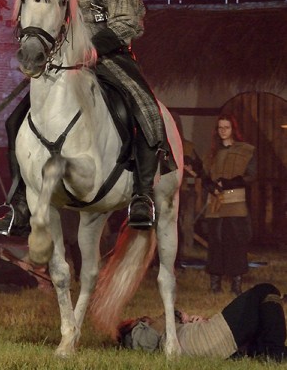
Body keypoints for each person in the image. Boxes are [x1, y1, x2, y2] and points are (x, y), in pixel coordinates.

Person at [0, 0, 171, 236]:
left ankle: (143, 195)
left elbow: (128, 23)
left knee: (144, 109)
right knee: (16, 120)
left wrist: (92, 49)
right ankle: (20, 204)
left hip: (108, 58)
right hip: (60, 63)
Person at [117, 282, 287, 360]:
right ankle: (275, 352)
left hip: (203, 340)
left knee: (259, 325)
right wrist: (175, 315)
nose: (145, 317)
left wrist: (191, 321)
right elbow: (150, 341)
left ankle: (270, 350)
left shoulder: (159, 330)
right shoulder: (134, 334)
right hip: (203, 341)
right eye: (140, 319)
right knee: (265, 290)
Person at [202, 113, 256, 296]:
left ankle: (236, 284)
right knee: (216, 243)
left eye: (227, 127)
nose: (223, 131)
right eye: (220, 127)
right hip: (215, 204)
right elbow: (205, 177)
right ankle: (215, 285)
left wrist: (229, 183)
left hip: (235, 204)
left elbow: (251, 176)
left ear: (233, 129)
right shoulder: (211, 154)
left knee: (236, 243)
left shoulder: (246, 151)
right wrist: (210, 185)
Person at [178, 135, 204, 260]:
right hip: (171, 192)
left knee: (187, 222)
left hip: (186, 191)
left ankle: (187, 249)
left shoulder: (188, 147)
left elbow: (198, 170)